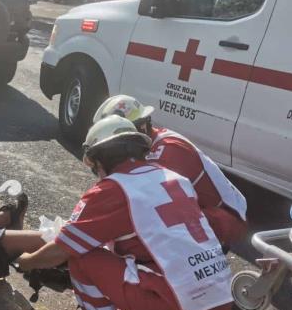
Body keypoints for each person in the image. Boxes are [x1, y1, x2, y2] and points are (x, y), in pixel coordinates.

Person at [16, 116, 274, 310]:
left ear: (100, 161)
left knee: (83, 256)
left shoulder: (111, 190)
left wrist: (28, 262)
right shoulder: (174, 179)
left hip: (178, 306)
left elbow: (63, 248)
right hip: (219, 300)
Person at [93, 95, 247, 248]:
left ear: (141, 127)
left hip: (224, 220)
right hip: (208, 213)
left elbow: (141, 201)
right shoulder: (152, 141)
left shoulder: (167, 152)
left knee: (135, 234)